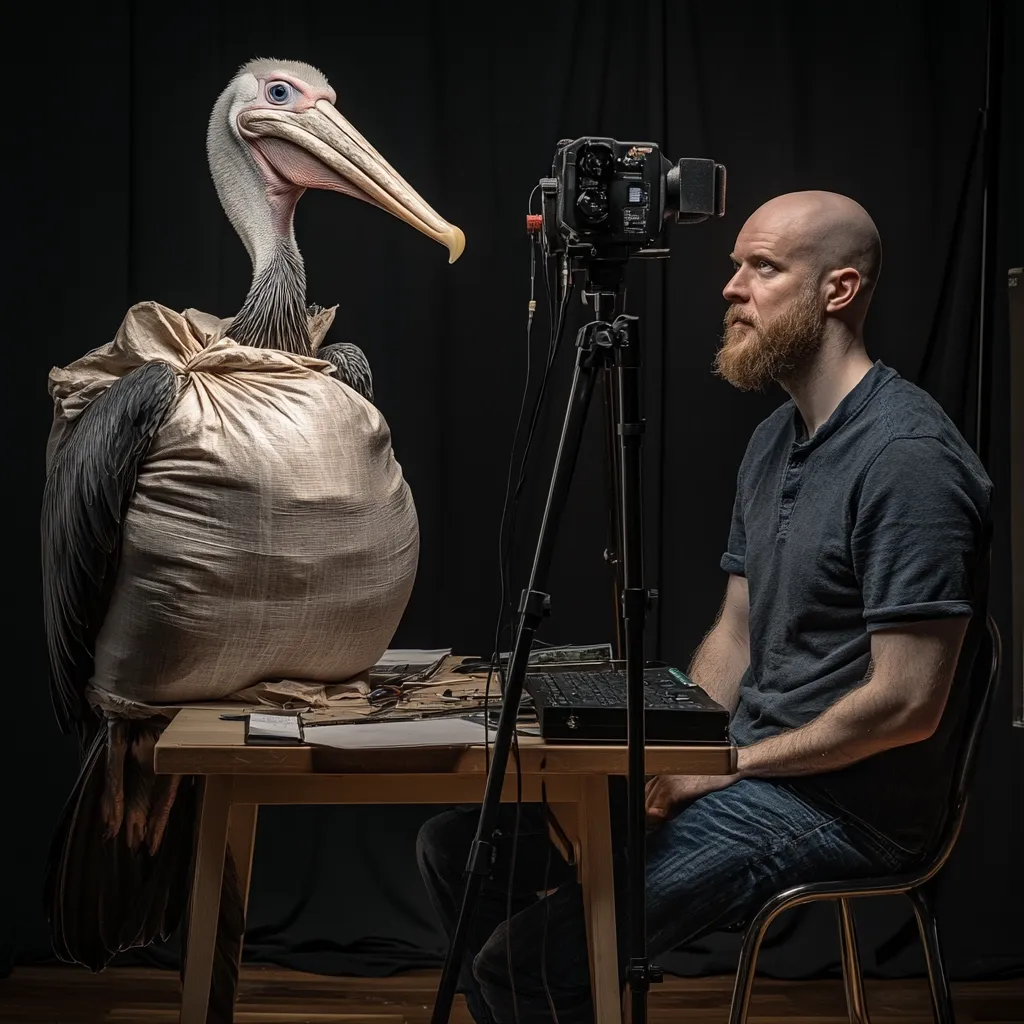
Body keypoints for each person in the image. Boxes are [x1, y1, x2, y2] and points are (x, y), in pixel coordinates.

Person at [416, 191, 993, 1024]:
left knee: (519, 964)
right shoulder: (774, 439)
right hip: (749, 769)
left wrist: (714, 772)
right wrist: (665, 753)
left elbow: (907, 703)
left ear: (836, 291)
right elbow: (735, 631)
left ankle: (544, 985)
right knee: (458, 849)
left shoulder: (908, 460)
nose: (730, 287)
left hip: (845, 807)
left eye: (763, 267)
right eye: (734, 264)